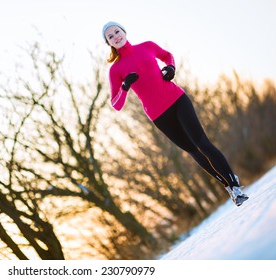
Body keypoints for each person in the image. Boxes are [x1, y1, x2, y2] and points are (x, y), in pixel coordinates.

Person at [102, 21, 249, 206]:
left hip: (177, 100)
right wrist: (124, 87)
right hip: (159, 116)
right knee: (194, 151)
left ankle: (235, 185)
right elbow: (116, 104)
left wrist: (170, 68)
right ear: (109, 43)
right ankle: (228, 186)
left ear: (124, 31)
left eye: (117, 31)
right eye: (110, 36)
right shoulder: (115, 70)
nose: (116, 36)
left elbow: (167, 56)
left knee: (202, 143)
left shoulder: (147, 46)